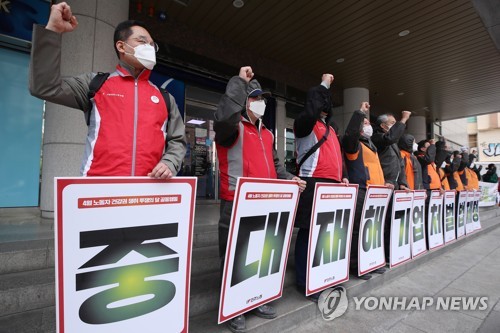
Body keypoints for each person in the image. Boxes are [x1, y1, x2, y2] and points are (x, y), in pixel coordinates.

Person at [29, 2, 186, 178]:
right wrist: (52, 32)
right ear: (121, 46)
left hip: (147, 192)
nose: (149, 48)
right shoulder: (96, 84)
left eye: (152, 44)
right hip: (99, 192)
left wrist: (169, 162)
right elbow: (44, 86)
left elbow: (178, 140)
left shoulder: (164, 97)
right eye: (142, 41)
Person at [214, 66, 306, 333]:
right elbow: (222, 117)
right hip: (236, 200)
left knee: (259, 253)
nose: (261, 103)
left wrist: (290, 178)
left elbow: (276, 167)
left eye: (263, 99)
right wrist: (238, 82)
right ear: (244, 102)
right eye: (255, 98)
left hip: (266, 202)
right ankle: (234, 306)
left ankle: (256, 299)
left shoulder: (267, 133)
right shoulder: (231, 128)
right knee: (234, 255)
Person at [292, 74, 348, 302]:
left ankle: (323, 275)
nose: (325, 107)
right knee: (308, 233)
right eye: (322, 103)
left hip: (333, 186)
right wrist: (324, 85)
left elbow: (339, 157)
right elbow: (313, 105)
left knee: (327, 234)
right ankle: (305, 282)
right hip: (313, 183)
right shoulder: (304, 123)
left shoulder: (331, 129)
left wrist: (343, 175)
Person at [342, 102, 388, 280]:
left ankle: (371, 262)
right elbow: (351, 133)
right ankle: (355, 265)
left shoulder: (370, 145)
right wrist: (359, 113)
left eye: (369, 122)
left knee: (372, 229)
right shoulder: (354, 145)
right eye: (365, 123)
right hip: (362, 191)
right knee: (356, 231)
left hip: (375, 192)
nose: (369, 125)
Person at [372, 112, 411, 191]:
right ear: (383, 125)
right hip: (383, 183)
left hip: (394, 184)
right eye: (393, 123)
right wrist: (404, 119)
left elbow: (400, 164)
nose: (395, 126)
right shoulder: (376, 137)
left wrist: (402, 183)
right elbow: (390, 138)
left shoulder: (394, 144)